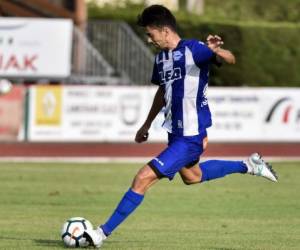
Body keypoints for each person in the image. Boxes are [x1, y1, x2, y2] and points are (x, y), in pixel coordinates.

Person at [83, 5, 278, 248]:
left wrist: (217, 50)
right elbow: (162, 92)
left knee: (142, 178)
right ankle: (248, 165)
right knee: (192, 176)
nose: (149, 39)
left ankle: (101, 233)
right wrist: (146, 124)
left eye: (150, 33)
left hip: (191, 136)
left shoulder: (194, 49)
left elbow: (230, 59)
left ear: (165, 31)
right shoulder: (161, 58)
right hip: (175, 134)